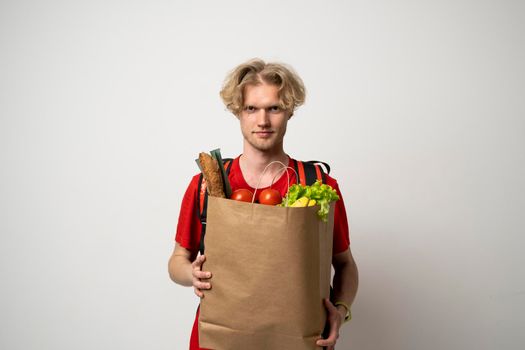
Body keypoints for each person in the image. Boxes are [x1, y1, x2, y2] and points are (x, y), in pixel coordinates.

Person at [168, 58, 359, 350]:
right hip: (217, 341)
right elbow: (177, 260)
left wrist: (340, 311)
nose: (263, 121)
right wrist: (190, 274)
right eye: (251, 108)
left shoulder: (318, 185)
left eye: (274, 108)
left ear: (289, 112)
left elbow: (345, 264)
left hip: (295, 340)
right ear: (238, 112)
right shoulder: (206, 184)